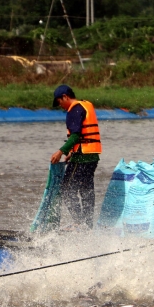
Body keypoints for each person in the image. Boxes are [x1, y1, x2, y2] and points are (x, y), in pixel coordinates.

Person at [50, 84, 102, 228]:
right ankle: (88, 226)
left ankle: (79, 223)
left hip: (82, 157)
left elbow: (76, 135)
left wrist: (61, 151)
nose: (60, 106)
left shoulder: (74, 110)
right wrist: (72, 151)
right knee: (86, 191)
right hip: (92, 156)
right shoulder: (86, 105)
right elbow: (83, 134)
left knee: (66, 189)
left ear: (65, 97)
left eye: (59, 102)